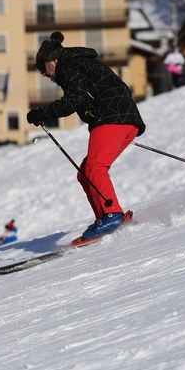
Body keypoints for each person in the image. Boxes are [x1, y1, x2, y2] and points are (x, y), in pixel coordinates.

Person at [27, 31, 146, 240]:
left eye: (41, 68)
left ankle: (111, 215)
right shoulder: (78, 64)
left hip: (113, 118)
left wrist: (42, 113)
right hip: (123, 119)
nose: (43, 74)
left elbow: (73, 100)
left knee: (95, 168)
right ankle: (105, 218)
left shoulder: (69, 66)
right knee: (85, 173)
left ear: (52, 60)